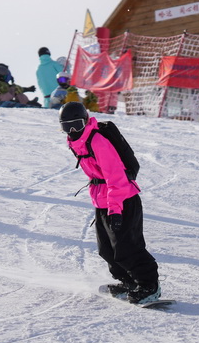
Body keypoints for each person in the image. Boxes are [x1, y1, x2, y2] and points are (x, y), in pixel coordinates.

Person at [60, 102, 160, 305]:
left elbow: (117, 178)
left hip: (122, 199)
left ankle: (149, 285)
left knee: (127, 247)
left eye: (76, 125)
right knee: (106, 249)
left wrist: (115, 210)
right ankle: (129, 282)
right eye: (67, 126)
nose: (72, 131)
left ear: (86, 120)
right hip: (103, 201)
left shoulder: (97, 141)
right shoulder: (78, 142)